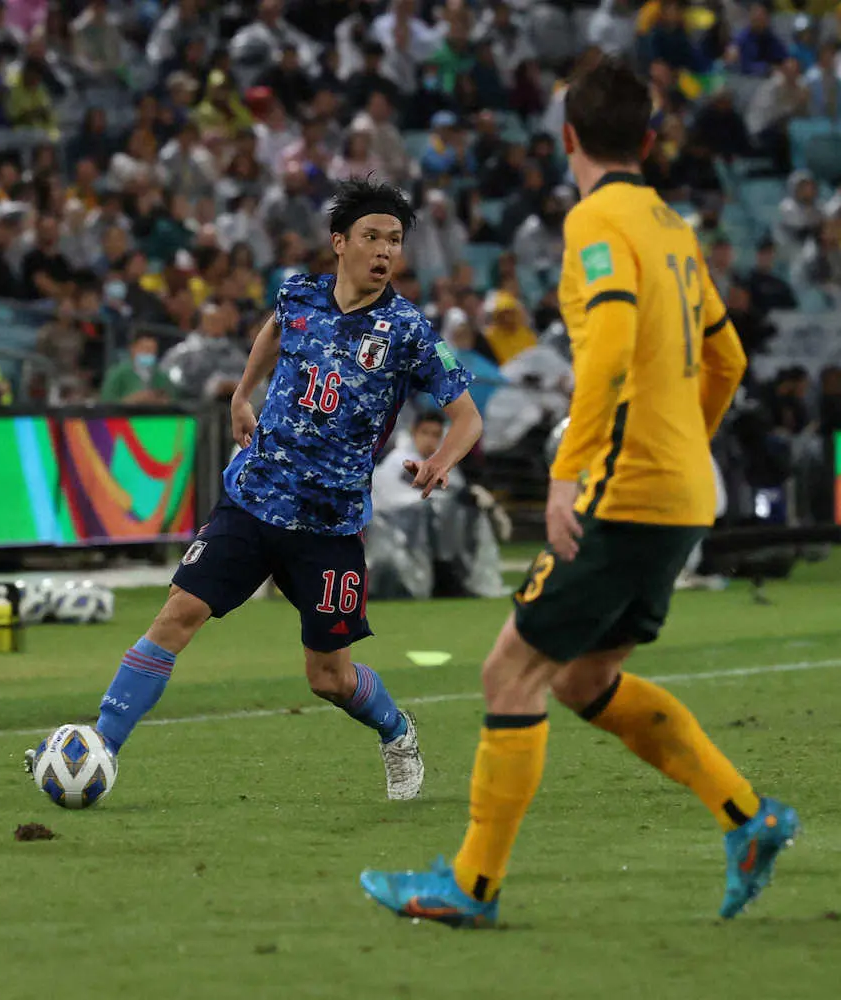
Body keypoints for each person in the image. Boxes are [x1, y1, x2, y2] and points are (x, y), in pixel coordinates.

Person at [360, 57, 798, 925]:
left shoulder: (597, 221)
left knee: (508, 673)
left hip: (624, 490)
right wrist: (686, 447)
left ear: (567, 139)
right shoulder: (674, 227)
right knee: (584, 679)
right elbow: (729, 359)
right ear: (646, 138)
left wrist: (570, 473)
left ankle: (472, 885)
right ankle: (749, 819)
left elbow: (606, 349)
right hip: (680, 492)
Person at [45, 179, 481, 802]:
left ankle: (395, 729)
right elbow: (274, 331)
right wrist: (242, 392)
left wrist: (440, 459)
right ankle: (103, 746)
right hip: (253, 499)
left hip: (329, 526)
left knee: (328, 677)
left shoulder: (408, 330)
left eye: (394, 240)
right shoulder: (299, 294)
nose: (384, 251)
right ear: (340, 243)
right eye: (372, 237)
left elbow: (468, 416)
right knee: (178, 613)